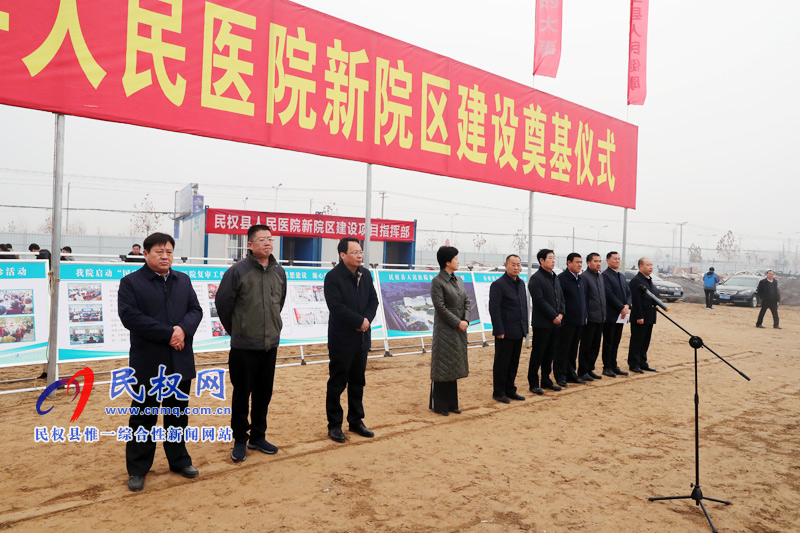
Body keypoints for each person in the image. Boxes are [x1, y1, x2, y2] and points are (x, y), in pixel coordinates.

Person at [117, 232, 203, 492]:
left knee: (177, 415)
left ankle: (179, 460)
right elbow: (130, 317)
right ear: (145, 254)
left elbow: (195, 310)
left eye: (169, 251)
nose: (165, 256)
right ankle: (138, 468)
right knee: (143, 417)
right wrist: (169, 334)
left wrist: (182, 331)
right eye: (159, 251)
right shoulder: (131, 283)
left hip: (180, 362)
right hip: (148, 364)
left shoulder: (183, 280)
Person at [216, 225, 287, 463]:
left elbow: (280, 303)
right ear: (250, 244)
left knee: (263, 393)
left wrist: (271, 328)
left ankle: (258, 436)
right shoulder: (238, 271)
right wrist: (239, 331)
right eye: (262, 240)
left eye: (270, 239)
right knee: (242, 393)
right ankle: (239, 439)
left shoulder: (278, 271)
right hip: (244, 346)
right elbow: (224, 304)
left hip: (269, 344)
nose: (267, 243)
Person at [324, 237, 379, 443]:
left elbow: (373, 300)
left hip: (362, 338)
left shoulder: (366, 275)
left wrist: (366, 320)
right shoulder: (333, 277)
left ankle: (356, 421)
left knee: (358, 382)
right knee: (337, 383)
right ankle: (335, 425)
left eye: (361, 252)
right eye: (355, 252)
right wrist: (358, 321)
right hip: (342, 339)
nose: (360, 256)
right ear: (342, 255)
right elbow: (336, 307)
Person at [429, 246, 471, 415]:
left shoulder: (458, 279)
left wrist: (466, 320)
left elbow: (467, 301)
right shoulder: (437, 281)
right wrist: (457, 322)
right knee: (442, 366)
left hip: (459, 329)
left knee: (453, 364)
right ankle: (439, 405)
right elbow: (440, 307)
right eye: (455, 258)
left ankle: (452, 403)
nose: (458, 261)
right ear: (447, 261)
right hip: (445, 329)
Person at [488, 254, 528, 403]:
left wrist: (525, 328)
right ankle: (499, 392)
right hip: (504, 331)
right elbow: (495, 309)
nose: (516, 267)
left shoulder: (521, 284)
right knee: (502, 363)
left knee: (513, 363)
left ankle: (510, 389)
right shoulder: (498, 285)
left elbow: (523, 307)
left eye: (518, 265)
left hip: (518, 330)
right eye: (513, 264)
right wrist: (499, 330)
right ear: (506, 265)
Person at [527, 248, 565, 395]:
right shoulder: (536, 279)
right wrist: (553, 316)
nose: (553, 260)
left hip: (556, 322)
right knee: (538, 353)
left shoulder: (554, 276)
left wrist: (561, 313)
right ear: (541, 260)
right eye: (550, 258)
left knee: (550, 353)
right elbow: (539, 301)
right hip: (542, 323)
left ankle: (546, 380)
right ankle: (533, 383)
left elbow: (561, 296)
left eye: (554, 258)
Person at [555, 253, 588, 387]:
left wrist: (584, 315)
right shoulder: (562, 278)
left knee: (573, 349)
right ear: (569, 263)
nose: (580, 265)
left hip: (579, 320)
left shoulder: (580, 279)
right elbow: (560, 300)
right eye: (577, 262)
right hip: (566, 321)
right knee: (563, 349)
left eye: (581, 262)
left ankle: (571, 374)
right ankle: (560, 375)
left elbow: (583, 299)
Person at [601, 251, 631, 378]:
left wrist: (627, 305)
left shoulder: (621, 276)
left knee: (616, 341)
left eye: (619, 259)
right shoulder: (605, 276)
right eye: (615, 259)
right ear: (608, 260)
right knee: (609, 341)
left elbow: (629, 293)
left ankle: (614, 365)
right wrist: (620, 307)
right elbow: (609, 294)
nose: (618, 261)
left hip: (622, 315)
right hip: (611, 314)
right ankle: (607, 367)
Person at [578, 252, 606, 382]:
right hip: (589, 317)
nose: (598, 263)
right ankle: (583, 371)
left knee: (595, 345)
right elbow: (582, 298)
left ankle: (590, 369)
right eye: (595, 261)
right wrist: (585, 315)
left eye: (599, 261)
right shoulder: (584, 277)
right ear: (588, 263)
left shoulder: (600, 277)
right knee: (586, 345)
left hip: (600, 317)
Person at [628, 257, 658, 373]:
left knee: (645, 341)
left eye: (651, 265)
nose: (650, 267)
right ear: (641, 267)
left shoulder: (649, 279)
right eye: (647, 265)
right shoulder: (636, 281)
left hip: (650, 315)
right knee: (637, 341)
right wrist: (640, 316)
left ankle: (642, 362)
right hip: (640, 317)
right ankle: (634, 363)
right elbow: (636, 301)